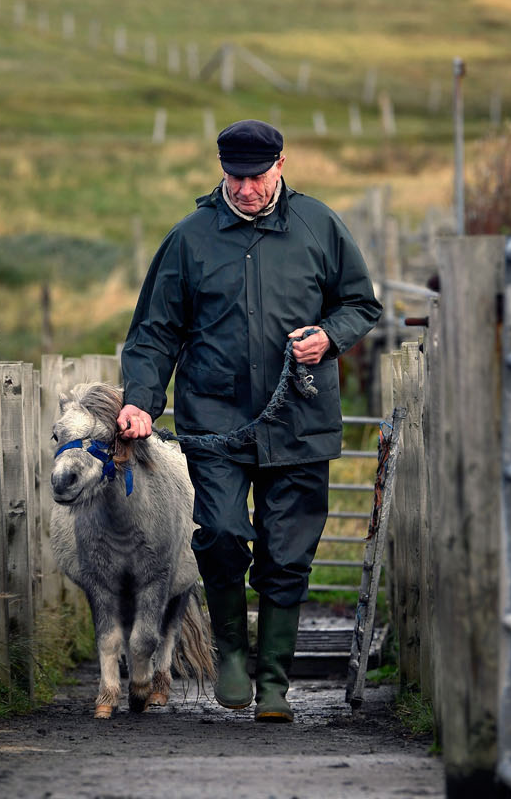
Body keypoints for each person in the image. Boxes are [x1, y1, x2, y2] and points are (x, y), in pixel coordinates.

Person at [116, 119, 381, 722]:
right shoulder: (189, 238)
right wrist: (141, 400)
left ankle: (275, 684)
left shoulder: (320, 226)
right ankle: (232, 654)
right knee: (221, 535)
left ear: (281, 166)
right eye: (234, 178)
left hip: (301, 419)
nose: (245, 190)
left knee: (288, 555)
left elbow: (360, 302)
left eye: (256, 178)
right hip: (214, 423)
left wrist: (329, 336)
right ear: (221, 171)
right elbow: (156, 332)